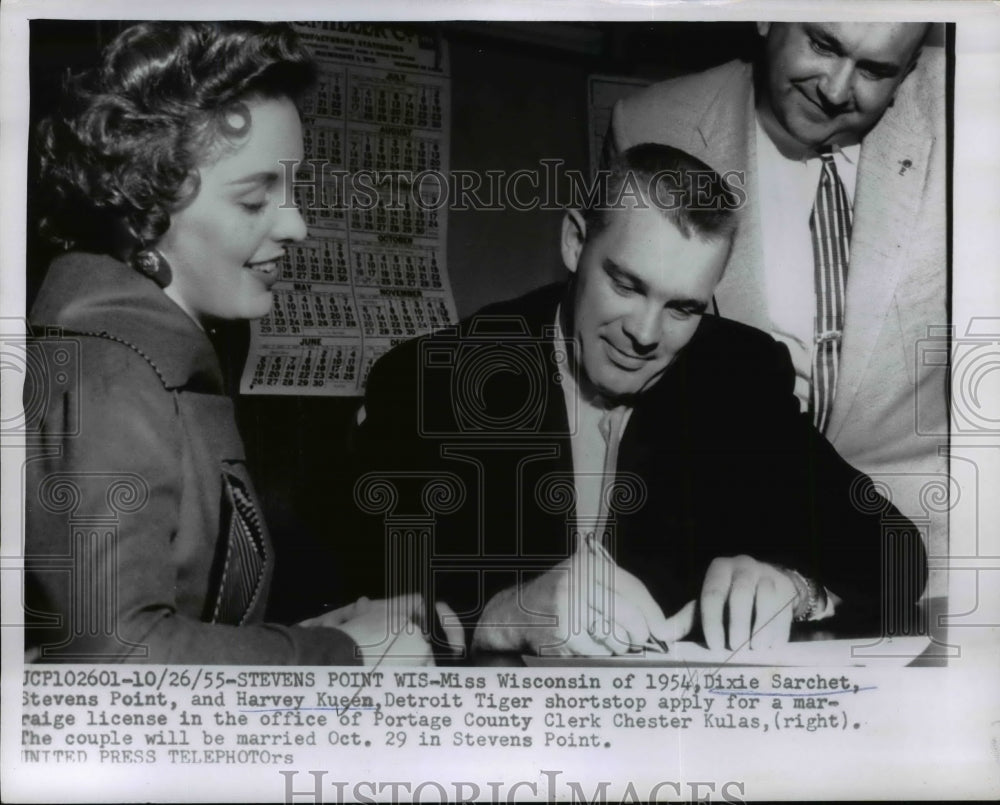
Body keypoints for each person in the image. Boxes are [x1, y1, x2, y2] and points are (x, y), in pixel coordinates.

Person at [353, 143, 927, 657]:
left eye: (683, 308)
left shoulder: (738, 376)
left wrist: (794, 588)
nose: (646, 334)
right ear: (576, 241)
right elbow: (343, 602)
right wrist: (497, 615)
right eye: (626, 285)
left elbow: (897, 554)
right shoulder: (432, 379)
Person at [24, 21, 457, 664]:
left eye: (292, 189)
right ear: (145, 204)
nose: (298, 226)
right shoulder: (109, 376)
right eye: (256, 199)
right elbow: (114, 663)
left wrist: (325, 631)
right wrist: (338, 654)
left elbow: (174, 623)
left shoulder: (152, 353)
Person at [607, 22, 947, 594]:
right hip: (736, 557)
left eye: (875, 70)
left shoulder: (965, 107)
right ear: (766, 16)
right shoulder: (653, 122)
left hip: (933, 549)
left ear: (910, 66)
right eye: (823, 44)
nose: (837, 91)